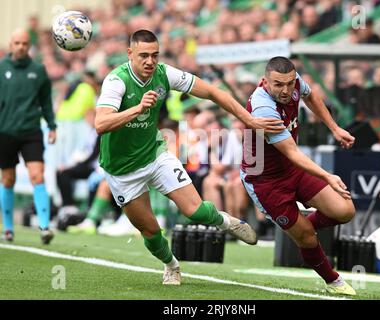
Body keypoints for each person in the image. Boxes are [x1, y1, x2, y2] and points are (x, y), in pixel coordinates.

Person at [94, 30, 284, 286]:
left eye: (154, 55)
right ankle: (171, 265)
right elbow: (101, 123)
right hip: (122, 170)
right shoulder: (116, 81)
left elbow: (213, 92)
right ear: (130, 54)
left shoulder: (164, 73)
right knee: (150, 231)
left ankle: (226, 221)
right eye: (143, 56)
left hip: (156, 155)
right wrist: (138, 108)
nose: (150, 61)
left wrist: (247, 118)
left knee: (194, 210)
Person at [240, 56, 357, 296]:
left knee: (345, 210)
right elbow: (292, 152)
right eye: (278, 85)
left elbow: (311, 95)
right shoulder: (264, 108)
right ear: (265, 82)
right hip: (265, 180)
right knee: (307, 238)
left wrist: (334, 128)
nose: (285, 90)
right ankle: (333, 280)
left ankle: (302, 228)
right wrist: (327, 176)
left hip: (292, 169)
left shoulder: (292, 82)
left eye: (290, 84)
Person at [0, 29, 56, 244]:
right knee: (7, 179)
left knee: (37, 176)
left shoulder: (38, 70)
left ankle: (44, 227)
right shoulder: (1, 68)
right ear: (11, 44)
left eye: (24, 43)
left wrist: (52, 125)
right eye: (17, 43)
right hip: (5, 132)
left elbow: (46, 102)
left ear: (29, 45)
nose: (21, 46)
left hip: (31, 131)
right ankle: (8, 228)